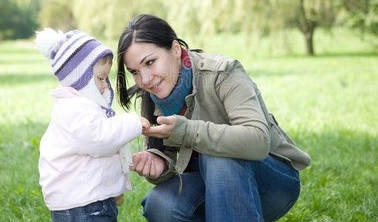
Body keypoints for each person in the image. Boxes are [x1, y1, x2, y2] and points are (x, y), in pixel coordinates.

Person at [116, 14, 311, 222]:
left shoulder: (223, 72)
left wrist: (187, 131)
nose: (144, 79)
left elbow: (258, 140)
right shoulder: (154, 93)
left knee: (217, 155)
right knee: (160, 205)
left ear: (174, 50)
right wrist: (161, 163)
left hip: (274, 184)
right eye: (134, 71)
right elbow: (180, 161)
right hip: (212, 185)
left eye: (151, 62)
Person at [35, 28, 150, 222]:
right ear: (79, 78)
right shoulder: (75, 108)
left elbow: (95, 151)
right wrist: (132, 123)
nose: (105, 85)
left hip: (84, 200)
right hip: (84, 205)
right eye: (100, 78)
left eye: (105, 78)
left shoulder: (79, 107)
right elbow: (100, 139)